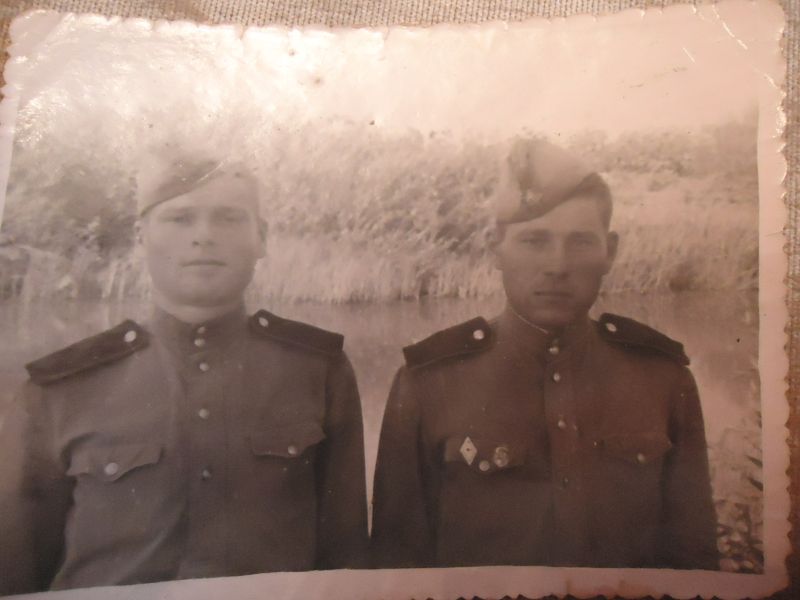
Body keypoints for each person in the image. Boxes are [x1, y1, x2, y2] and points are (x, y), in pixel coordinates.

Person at [0, 154, 369, 594]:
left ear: (262, 238)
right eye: (179, 219)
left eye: (228, 218)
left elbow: (345, 557)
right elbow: (15, 568)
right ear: (141, 239)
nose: (204, 236)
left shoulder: (318, 370)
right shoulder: (62, 388)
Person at [370, 138, 718, 570]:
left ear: (610, 252)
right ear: (496, 250)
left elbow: (696, 560)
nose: (557, 265)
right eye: (534, 241)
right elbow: (396, 568)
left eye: (580, 242)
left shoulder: (663, 379)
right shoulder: (427, 382)